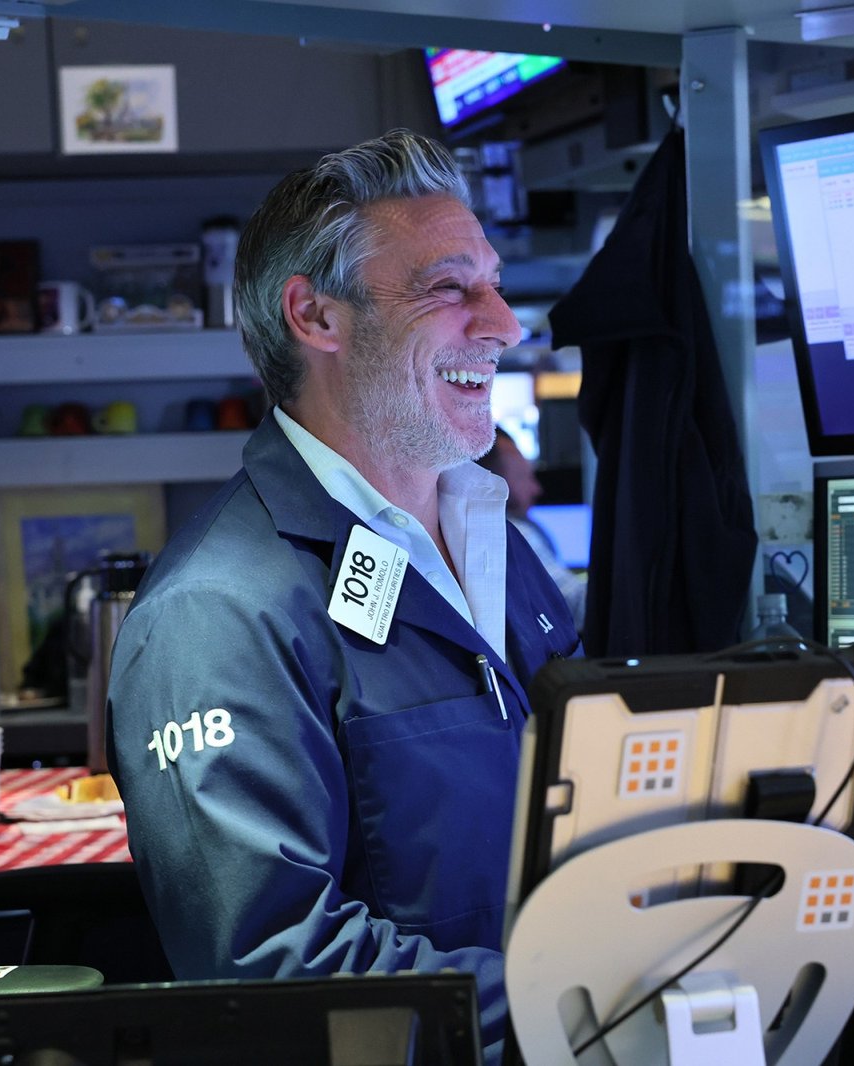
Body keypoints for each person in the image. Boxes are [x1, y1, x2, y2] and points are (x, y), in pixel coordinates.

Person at [106, 129, 581, 1059]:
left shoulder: (500, 545)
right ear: (315, 317)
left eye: (492, 283)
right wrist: (573, 1000)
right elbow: (269, 965)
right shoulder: (216, 614)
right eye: (450, 288)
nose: (503, 324)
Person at [477, 427, 587, 630]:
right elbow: (571, 604)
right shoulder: (511, 531)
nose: (537, 489)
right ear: (491, 478)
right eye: (524, 476)